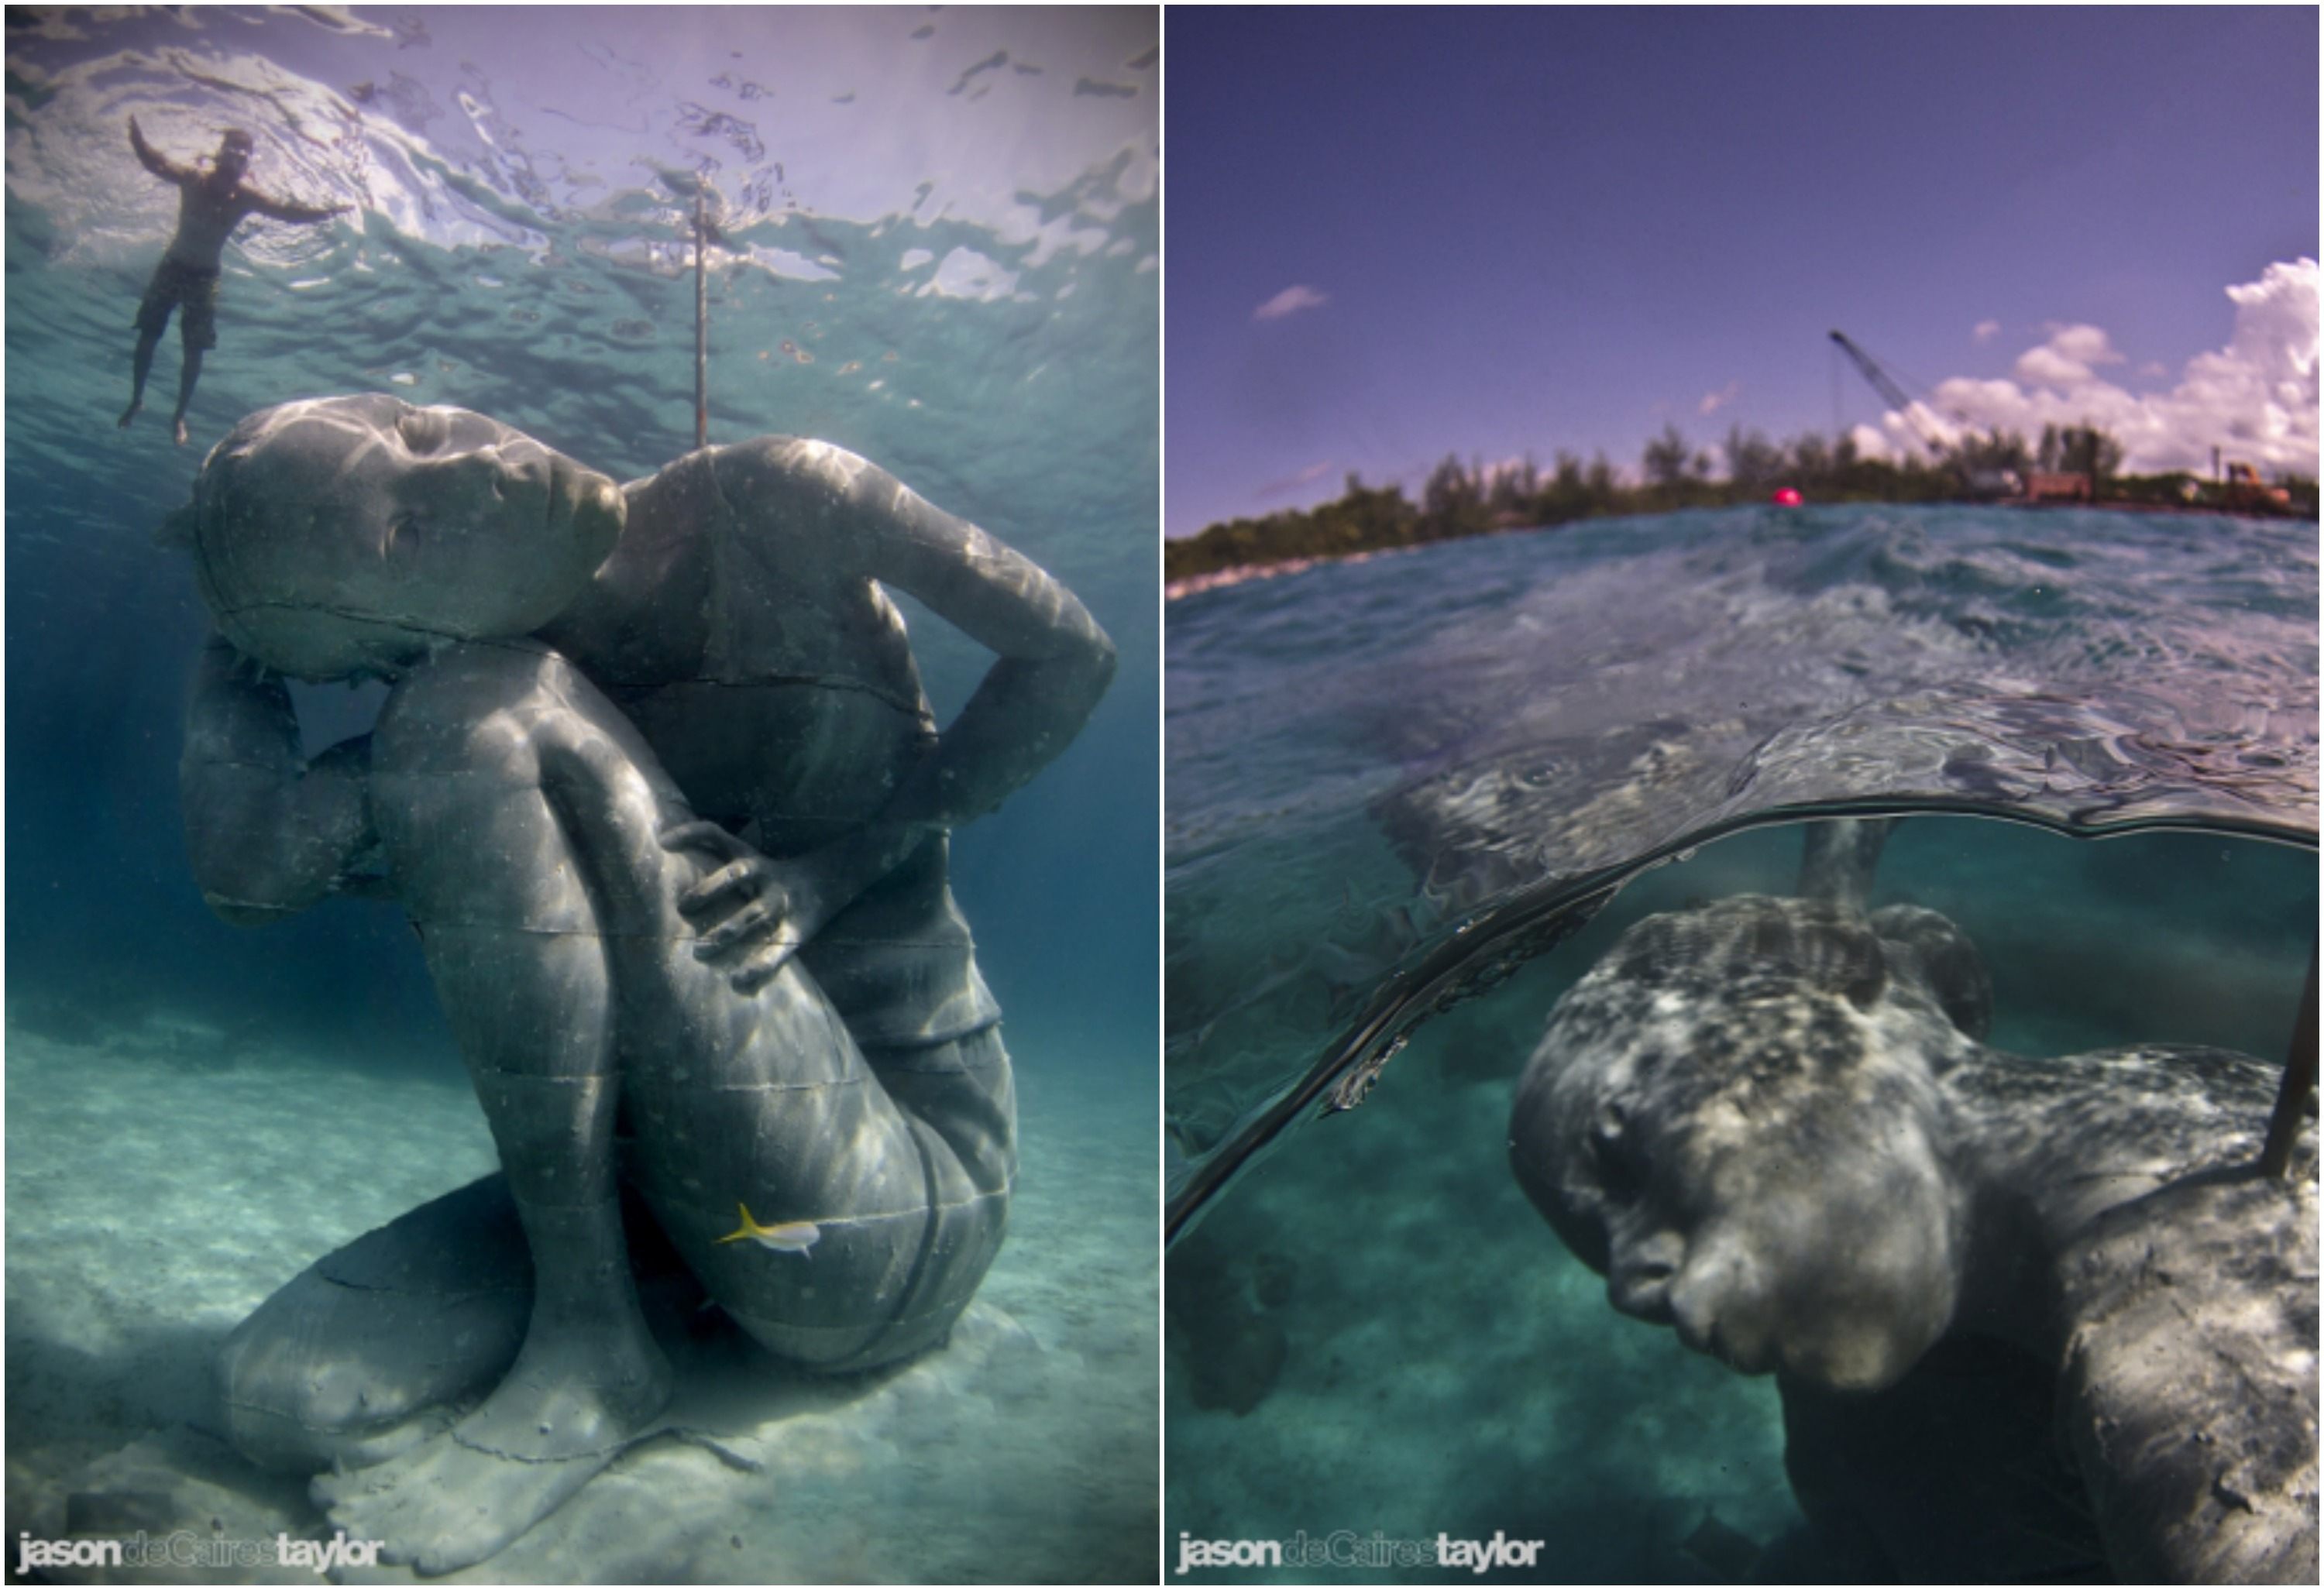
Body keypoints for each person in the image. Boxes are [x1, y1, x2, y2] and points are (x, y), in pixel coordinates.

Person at [166, 395, 1116, 1570]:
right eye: (409, 535)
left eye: (410, 426)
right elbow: (250, 871)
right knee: (276, 1392)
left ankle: (591, 1340)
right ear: (392, 633)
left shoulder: (780, 501)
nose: (475, 469)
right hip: (699, 1203)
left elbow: (1072, 650)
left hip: (906, 1198)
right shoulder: (483, 705)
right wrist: (237, 647)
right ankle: (631, 1308)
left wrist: (833, 876)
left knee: (472, 709)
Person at [119, 121, 349, 445]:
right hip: (173, 266)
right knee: (148, 336)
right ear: (218, 157)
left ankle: (179, 414)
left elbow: (288, 213)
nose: (234, 168)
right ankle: (137, 399)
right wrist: (138, 140)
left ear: (246, 166)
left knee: (194, 351)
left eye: (242, 161)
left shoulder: (246, 197)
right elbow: (155, 163)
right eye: (231, 157)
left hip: (205, 276)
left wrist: (327, 212)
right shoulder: (193, 178)